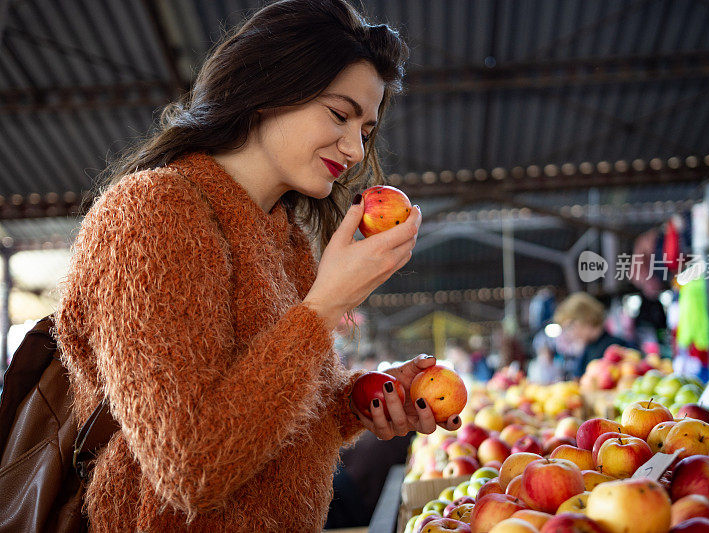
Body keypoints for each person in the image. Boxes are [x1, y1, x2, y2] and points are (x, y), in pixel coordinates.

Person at [55, 1, 459, 530]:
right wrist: (324, 307)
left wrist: (359, 403)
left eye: (366, 128)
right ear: (267, 91)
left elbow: (266, 417)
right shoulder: (153, 214)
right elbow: (189, 466)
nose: (355, 149)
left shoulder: (284, 236)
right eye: (340, 115)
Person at [553, 292, 630, 378]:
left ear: (585, 319)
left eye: (570, 326)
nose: (569, 333)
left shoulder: (616, 347)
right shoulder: (588, 348)